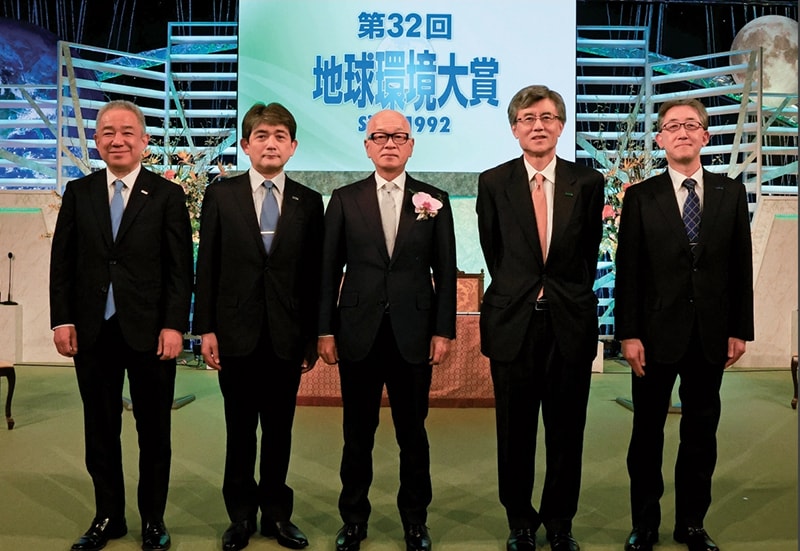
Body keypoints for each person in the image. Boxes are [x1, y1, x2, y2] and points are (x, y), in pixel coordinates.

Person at [49, 99, 194, 551]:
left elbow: (179, 269)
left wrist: (175, 325)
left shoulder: (167, 195)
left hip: (151, 333)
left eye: (128, 131)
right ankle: (108, 516)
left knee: (154, 432)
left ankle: (153, 520)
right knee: (100, 429)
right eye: (108, 131)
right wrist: (62, 319)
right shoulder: (80, 192)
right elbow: (63, 263)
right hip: (92, 332)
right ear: (96, 141)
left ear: (144, 141)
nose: (118, 139)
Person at [615, 98, 754, 551]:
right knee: (647, 436)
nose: (682, 132)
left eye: (691, 125)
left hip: (710, 334)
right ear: (660, 139)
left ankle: (692, 523)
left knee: (700, 433)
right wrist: (629, 333)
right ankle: (646, 524)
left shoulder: (730, 193)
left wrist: (740, 328)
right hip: (653, 337)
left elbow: (740, 266)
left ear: (705, 136)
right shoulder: (640, 196)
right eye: (672, 126)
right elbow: (629, 270)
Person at [318, 109, 457, 551]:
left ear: (412, 144)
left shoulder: (434, 200)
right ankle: (353, 519)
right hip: (357, 331)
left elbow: (446, 273)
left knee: (412, 433)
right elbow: (327, 271)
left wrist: (444, 330)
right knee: (356, 434)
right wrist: (324, 330)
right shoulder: (344, 198)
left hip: (414, 333)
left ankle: (415, 521)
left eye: (399, 136)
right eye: (379, 136)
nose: (389, 143)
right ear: (367, 146)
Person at [476, 85, 604, 551]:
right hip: (515, 322)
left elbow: (587, 253)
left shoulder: (586, 183)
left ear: (561, 125)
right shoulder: (493, 182)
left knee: (568, 430)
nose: (538, 125)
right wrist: (524, 292)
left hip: (569, 320)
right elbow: (495, 252)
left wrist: (560, 292)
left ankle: (560, 522)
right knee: (514, 430)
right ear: (514, 129)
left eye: (547, 117)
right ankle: (520, 522)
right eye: (528, 118)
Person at [192, 102, 323, 551]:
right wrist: (205, 328)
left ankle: (278, 516)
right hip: (235, 333)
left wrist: (311, 334)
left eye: (280, 136)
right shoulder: (221, 194)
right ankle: (240, 517)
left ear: (293, 146)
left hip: (287, 336)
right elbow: (206, 265)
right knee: (240, 429)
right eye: (262, 135)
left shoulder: (310, 200)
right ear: (246, 144)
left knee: (280, 430)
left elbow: (313, 275)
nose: (271, 143)